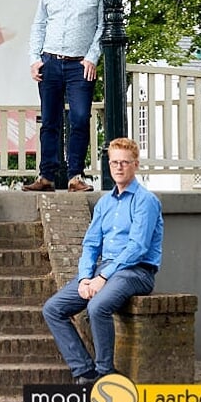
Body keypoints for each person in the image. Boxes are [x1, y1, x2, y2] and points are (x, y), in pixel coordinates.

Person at [41, 138, 162, 383]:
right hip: (103, 269)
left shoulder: (145, 201)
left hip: (136, 271)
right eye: (114, 162)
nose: (118, 167)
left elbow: (138, 248)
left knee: (97, 307)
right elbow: (91, 244)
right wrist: (86, 277)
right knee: (53, 309)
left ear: (135, 165)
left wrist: (102, 277)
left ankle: (105, 372)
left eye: (124, 163)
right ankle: (84, 371)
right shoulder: (105, 203)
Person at [24, 0, 104, 192]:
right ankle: (46, 176)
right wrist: (34, 59)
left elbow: (103, 25)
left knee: (80, 118)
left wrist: (93, 56)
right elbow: (39, 25)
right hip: (50, 62)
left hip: (80, 65)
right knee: (49, 121)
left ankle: (75, 176)